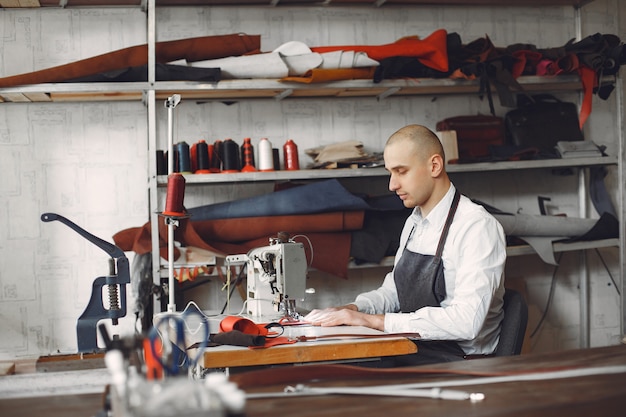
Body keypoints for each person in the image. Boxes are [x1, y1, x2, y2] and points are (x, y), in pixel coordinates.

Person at [304, 124, 507, 365]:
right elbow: (393, 293)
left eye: (401, 171)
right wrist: (352, 310)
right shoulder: (414, 222)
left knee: (338, 370)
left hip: (462, 363)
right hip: (419, 348)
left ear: (434, 166)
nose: (392, 185)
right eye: (390, 173)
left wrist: (374, 322)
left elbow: (466, 322)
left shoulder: (476, 227)